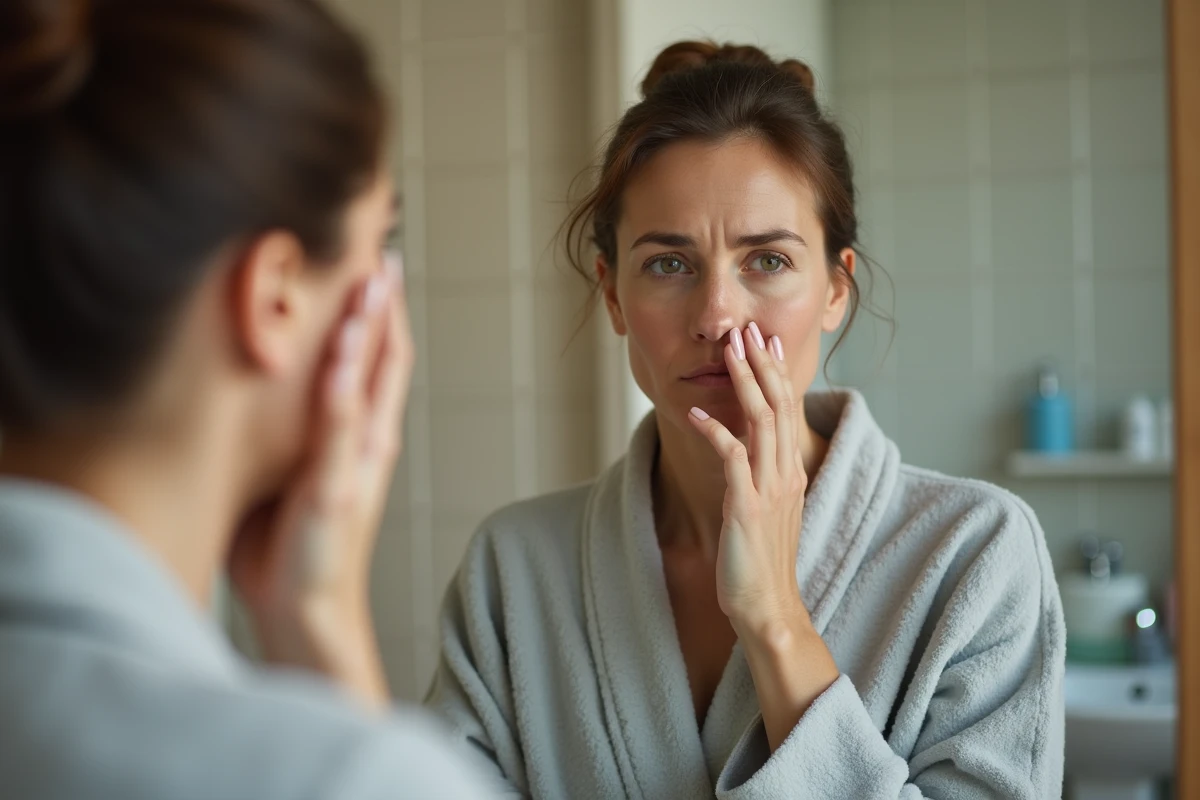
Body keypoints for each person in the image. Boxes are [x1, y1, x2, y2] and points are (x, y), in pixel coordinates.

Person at [427, 41, 1066, 799]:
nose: (717, 316)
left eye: (767, 261)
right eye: (669, 263)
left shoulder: (976, 557)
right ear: (611, 294)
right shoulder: (515, 568)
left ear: (836, 287)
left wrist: (775, 620)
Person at [0, 1, 490, 797]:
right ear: (275, 299)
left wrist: (310, 616)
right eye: (380, 246)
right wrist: (326, 633)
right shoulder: (351, 779)